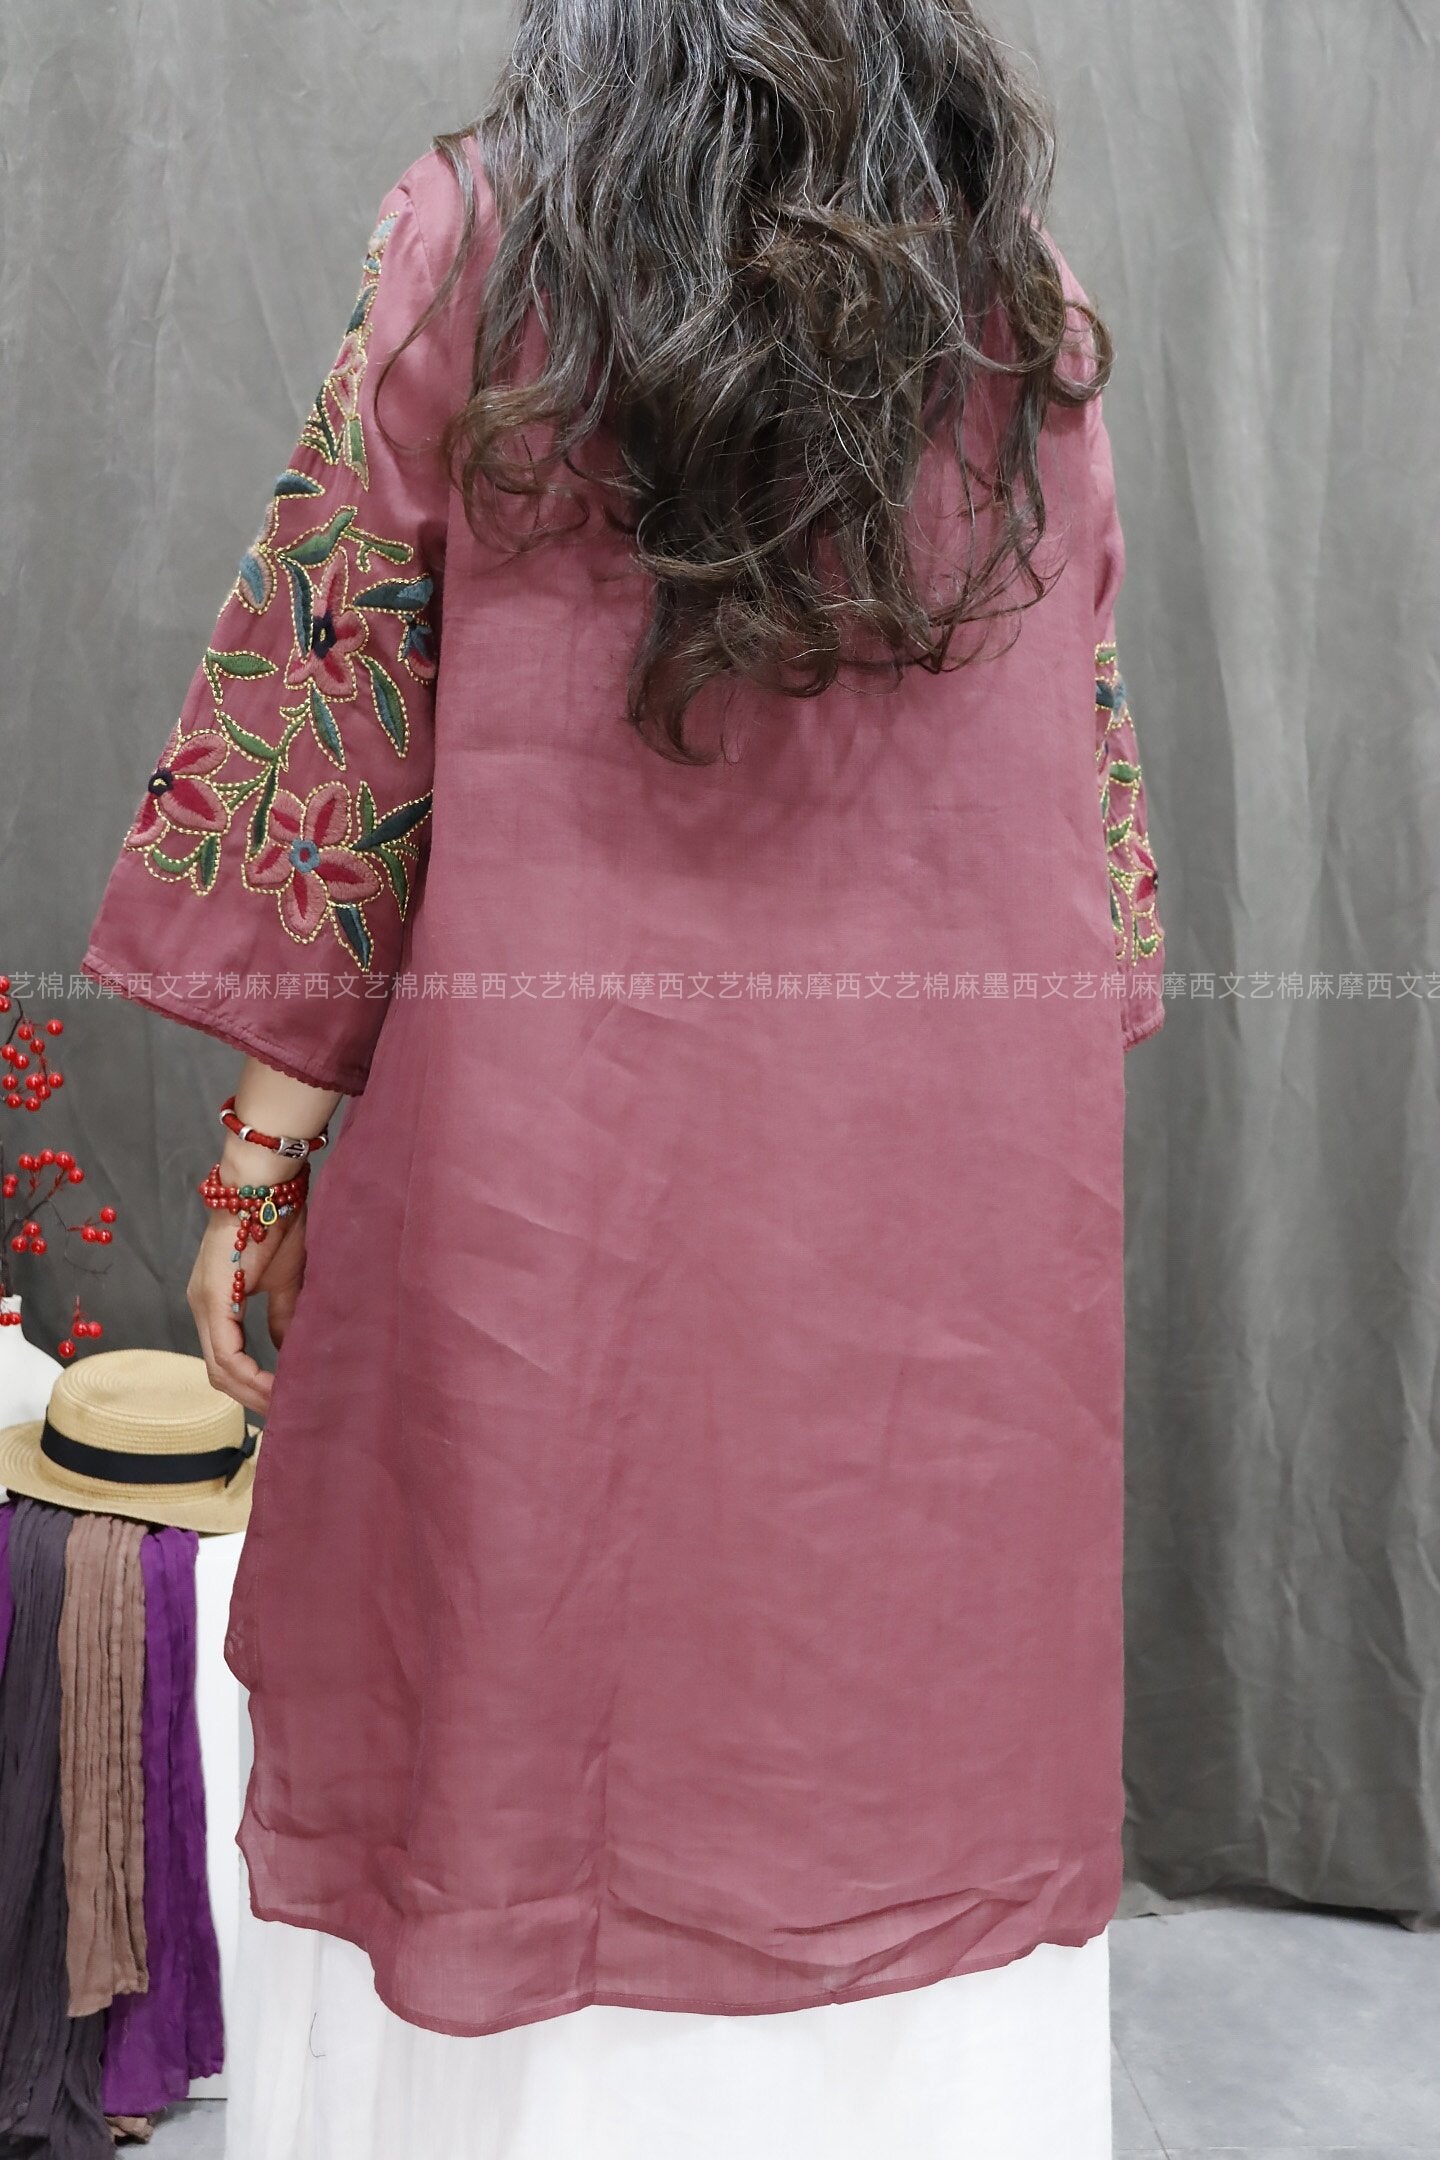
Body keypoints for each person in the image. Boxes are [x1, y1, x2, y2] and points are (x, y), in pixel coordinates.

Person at [82, 1, 1165, 2151]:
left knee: (518, 1655)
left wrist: (257, 1171)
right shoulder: (1015, 302)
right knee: (905, 1676)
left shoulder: (473, 244)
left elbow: (347, 708)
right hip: (939, 1206)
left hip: (552, 1193)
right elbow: (1080, 774)